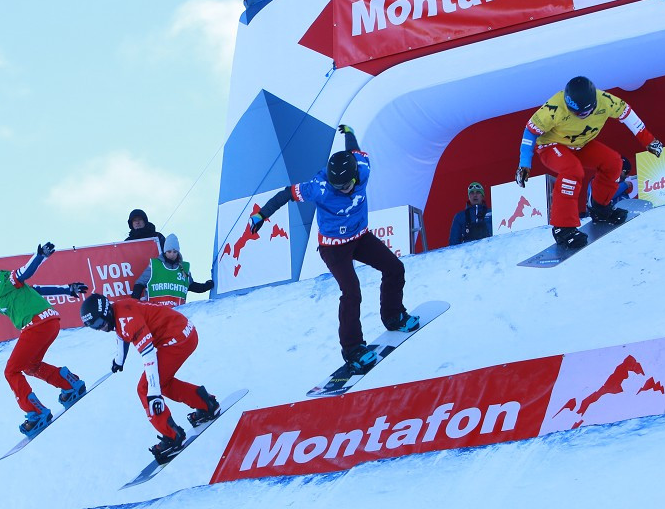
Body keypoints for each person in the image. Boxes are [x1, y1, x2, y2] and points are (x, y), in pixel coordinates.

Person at [246, 123, 419, 374]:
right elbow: (286, 194)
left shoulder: (363, 168)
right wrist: (262, 215)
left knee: (395, 268)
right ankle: (352, 349)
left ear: (355, 177)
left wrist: (349, 133)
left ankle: (393, 316)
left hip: (360, 237)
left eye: (348, 185)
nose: (345, 190)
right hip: (334, 247)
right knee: (352, 291)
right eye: (339, 187)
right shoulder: (319, 187)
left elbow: (354, 150)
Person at [515, 76, 663, 249]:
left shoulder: (605, 101)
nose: (579, 116)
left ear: (593, 104)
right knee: (572, 171)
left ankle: (600, 207)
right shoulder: (554, 108)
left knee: (613, 162)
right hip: (551, 145)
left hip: (580, 144)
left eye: (584, 113)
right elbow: (530, 132)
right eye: (574, 112)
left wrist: (649, 141)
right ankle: (563, 228)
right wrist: (524, 163)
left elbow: (628, 115)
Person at [0, 243, 89, 435]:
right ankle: (69, 384)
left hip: (36, 325)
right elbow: (34, 289)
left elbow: (22, 274)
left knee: (11, 371)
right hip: (49, 323)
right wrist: (67, 290)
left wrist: (40, 256)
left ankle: (35, 412)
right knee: (30, 366)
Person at [79, 293, 220, 464]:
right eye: (94, 327)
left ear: (106, 312)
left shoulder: (127, 319)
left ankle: (172, 436)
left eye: (99, 323)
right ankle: (205, 404)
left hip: (177, 340)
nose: (100, 328)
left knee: (145, 389)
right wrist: (119, 360)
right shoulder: (118, 310)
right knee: (163, 384)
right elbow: (121, 334)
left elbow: (148, 354)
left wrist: (154, 393)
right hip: (183, 332)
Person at [130, 233, 214, 306]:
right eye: (169, 251)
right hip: (155, 312)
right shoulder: (155, 265)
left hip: (178, 311)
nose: (172, 254)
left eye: (175, 252)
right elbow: (140, 283)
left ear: (178, 252)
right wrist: (134, 300)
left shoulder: (184, 268)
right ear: (165, 251)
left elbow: (190, 285)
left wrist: (205, 287)